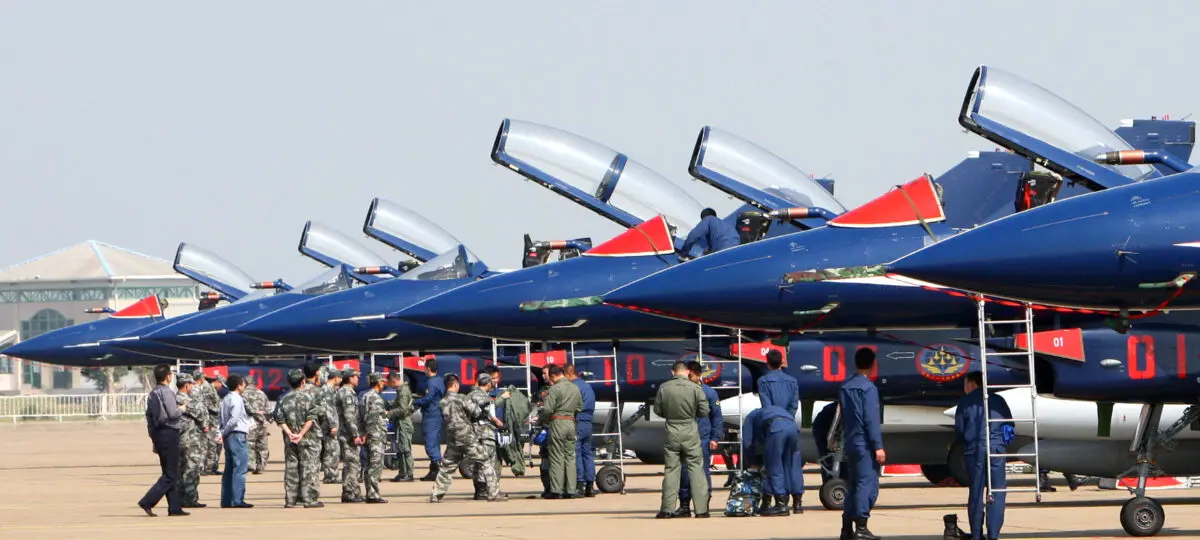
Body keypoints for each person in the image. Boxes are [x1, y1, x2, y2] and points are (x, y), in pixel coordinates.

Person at [955, 371, 1014, 540]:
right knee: (997, 491)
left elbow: (959, 428)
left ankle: (976, 534)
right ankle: (993, 534)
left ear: (972, 384)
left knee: (976, 492)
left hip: (975, 449)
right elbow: (1009, 427)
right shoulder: (999, 401)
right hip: (996, 449)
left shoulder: (965, 402)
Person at [430, 374, 505, 502]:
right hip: (466, 436)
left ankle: (436, 494)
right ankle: (493, 492)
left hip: (452, 437)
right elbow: (476, 412)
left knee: (447, 466)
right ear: (455, 385)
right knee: (485, 461)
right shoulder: (461, 398)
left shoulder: (442, 402)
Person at [652, 361, 710, 519]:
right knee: (696, 469)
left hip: (672, 430)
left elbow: (658, 410)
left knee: (671, 470)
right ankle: (701, 510)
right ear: (687, 372)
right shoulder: (696, 388)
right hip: (690, 430)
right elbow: (704, 411)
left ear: (673, 372)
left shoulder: (664, 388)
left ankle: (667, 509)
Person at [839, 348, 885, 540]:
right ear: (872, 365)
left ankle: (847, 528)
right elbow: (871, 420)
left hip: (850, 440)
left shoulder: (845, 387)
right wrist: (878, 446)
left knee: (854, 485)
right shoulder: (868, 389)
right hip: (865, 442)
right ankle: (862, 527)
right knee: (867, 485)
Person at [138, 364, 188, 517]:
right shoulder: (166, 392)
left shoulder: (153, 393)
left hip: (159, 434)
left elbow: (149, 417)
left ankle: (174, 507)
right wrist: (182, 409)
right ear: (168, 376)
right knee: (171, 474)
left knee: (169, 470)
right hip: (169, 432)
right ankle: (147, 501)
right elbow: (172, 414)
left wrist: (153, 438)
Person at [676, 360, 724, 516]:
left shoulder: (709, 393)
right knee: (684, 473)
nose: (688, 379)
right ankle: (684, 505)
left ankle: (703, 506)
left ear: (698, 375)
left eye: (691, 376)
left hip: (702, 439)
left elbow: (717, 417)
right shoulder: (681, 392)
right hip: (684, 438)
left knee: (702, 474)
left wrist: (715, 438)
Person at [274, 369, 322, 508]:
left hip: (290, 440)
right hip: (308, 439)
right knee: (309, 469)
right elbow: (311, 418)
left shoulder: (283, 398)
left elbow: (279, 419)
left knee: (291, 469)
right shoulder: (309, 398)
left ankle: (290, 500)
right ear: (303, 381)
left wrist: (290, 434)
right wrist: (301, 434)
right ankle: (309, 499)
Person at [741, 404, 800, 517]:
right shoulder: (774, 410)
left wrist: (752, 461)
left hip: (777, 429)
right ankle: (788, 500)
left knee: (774, 466)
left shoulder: (750, 417)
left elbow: (747, 442)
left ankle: (781, 505)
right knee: (788, 466)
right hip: (793, 428)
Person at [538, 365, 582, 499]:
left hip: (558, 422)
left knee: (557, 456)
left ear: (552, 376)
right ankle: (571, 489)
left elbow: (547, 410)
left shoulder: (555, 389)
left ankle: (557, 490)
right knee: (570, 456)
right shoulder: (575, 388)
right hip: (571, 422)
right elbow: (579, 407)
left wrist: (541, 420)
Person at [466, 372, 506, 501]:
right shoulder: (484, 397)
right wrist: (498, 423)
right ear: (488, 383)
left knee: (477, 463)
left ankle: (479, 491)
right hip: (484, 432)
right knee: (488, 462)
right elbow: (489, 414)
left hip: (473, 432)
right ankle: (490, 491)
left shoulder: (469, 395)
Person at [301, 362, 335, 504]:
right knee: (312, 467)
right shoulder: (318, 391)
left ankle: (298, 495)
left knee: (301, 466)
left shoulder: (299, 390)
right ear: (316, 373)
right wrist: (332, 425)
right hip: (313, 433)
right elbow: (324, 411)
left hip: (297, 433)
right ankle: (311, 497)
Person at [218, 373, 253, 508]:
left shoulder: (225, 399)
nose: (244, 386)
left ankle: (226, 499)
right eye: (243, 384)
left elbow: (221, 418)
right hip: (236, 434)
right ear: (239, 386)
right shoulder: (237, 399)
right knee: (240, 468)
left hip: (229, 436)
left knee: (230, 468)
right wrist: (225, 431)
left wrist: (222, 432)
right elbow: (234, 419)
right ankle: (237, 499)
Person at [175, 373, 206, 508]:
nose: (193, 387)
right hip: (190, 440)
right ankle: (189, 499)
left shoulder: (172, 398)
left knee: (180, 470)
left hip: (179, 440)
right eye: (191, 384)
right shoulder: (186, 400)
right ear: (186, 385)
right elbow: (201, 415)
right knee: (191, 470)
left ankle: (180, 498)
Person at [360, 372, 391, 503]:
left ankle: (370, 492)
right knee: (376, 464)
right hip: (375, 434)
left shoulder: (364, 396)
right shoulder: (376, 398)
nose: (384, 384)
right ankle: (373, 494)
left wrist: (363, 433)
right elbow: (372, 418)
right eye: (382, 381)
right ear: (378, 382)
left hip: (368, 434)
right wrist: (368, 432)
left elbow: (361, 416)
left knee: (368, 464)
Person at [566, 365, 597, 497]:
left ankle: (580, 484)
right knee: (588, 454)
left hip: (578, 422)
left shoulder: (574, 387)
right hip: (588, 423)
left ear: (568, 374)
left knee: (576, 453)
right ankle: (590, 486)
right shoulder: (587, 386)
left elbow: (574, 405)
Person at [413, 359, 445, 482]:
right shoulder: (440, 380)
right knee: (435, 442)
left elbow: (428, 399)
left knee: (430, 444)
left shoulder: (431, 383)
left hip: (431, 415)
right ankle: (433, 471)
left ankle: (437, 468)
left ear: (427, 368)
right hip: (437, 415)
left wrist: (415, 402)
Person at [336, 368, 364, 503]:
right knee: (352, 463)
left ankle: (352, 490)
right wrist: (355, 434)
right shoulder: (347, 393)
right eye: (355, 376)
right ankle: (349, 492)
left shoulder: (346, 392)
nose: (358, 378)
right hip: (347, 435)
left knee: (352, 463)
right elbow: (349, 416)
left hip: (346, 433)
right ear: (350, 378)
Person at [386, 371, 416, 482]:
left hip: (404, 422)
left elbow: (402, 409)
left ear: (393, 381)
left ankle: (409, 473)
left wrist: (389, 413)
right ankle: (402, 472)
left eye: (389, 383)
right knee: (400, 448)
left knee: (405, 449)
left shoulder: (403, 392)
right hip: (400, 422)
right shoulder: (401, 391)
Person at [192, 369, 222, 476]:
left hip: (208, 420)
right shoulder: (205, 389)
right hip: (210, 420)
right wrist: (220, 411)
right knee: (210, 444)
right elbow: (207, 406)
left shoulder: (201, 388)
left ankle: (210, 467)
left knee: (211, 444)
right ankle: (207, 468)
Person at [812, 401, 848, 484]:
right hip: (825, 428)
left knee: (829, 459)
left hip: (823, 428)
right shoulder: (832, 409)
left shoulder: (832, 408)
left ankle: (831, 482)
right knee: (831, 459)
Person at [242, 375, 270, 474]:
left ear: (244, 383)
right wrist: (266, 421)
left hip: (249, 423)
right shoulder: (262, 393)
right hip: (262, 423)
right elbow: (269, 410)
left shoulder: (243, 394)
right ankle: (261, 467)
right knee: (262, 446)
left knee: (249, 444)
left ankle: (251, 465)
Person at [758, 350, 799, 418]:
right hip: (788, 421)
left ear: (767, 363)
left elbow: (767, 405)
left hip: (771, 422)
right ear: (782, 362)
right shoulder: (793, 381)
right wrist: (787, 418)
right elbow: (794, 405)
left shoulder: (762, 381)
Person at [320, 368, 344, 484]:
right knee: (331, 450)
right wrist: (332, 425)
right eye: (340, 377)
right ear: (335, 378)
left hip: (329, 424)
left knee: (333, 450)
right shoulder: (327, 390)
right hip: (328, 426)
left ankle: (332, 474)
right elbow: (327, 409)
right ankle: (330, 475)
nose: (341, 380)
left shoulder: (331, 390)